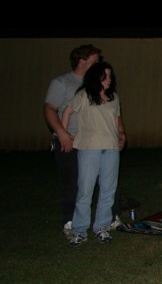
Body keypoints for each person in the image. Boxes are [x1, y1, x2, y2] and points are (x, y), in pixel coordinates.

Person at [44, 45, 127, 237]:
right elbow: (50, 109)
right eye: (95, 60)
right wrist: (61, 133)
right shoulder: (63, 83)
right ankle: (72, 223)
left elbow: (114, 114)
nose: (98, 63)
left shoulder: (106, 91)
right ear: (82, 60)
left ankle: (106, 221)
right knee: (76, 184)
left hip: (105, 142)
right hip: (74, 139)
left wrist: (121, 133)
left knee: (107, 185)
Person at [62, 62, 124, 247]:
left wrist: (122, 134)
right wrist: (63, 134)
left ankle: (102, 227)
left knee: (108, 189)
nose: (108, 80)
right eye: (105, 76)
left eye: (110, 76)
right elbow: (67, 111)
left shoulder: (113, 98)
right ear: (96, 77)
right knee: (85, 191)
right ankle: (79, 230)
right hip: (90, 149)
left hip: (111, 149)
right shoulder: (84, 95)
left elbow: (117, 119)